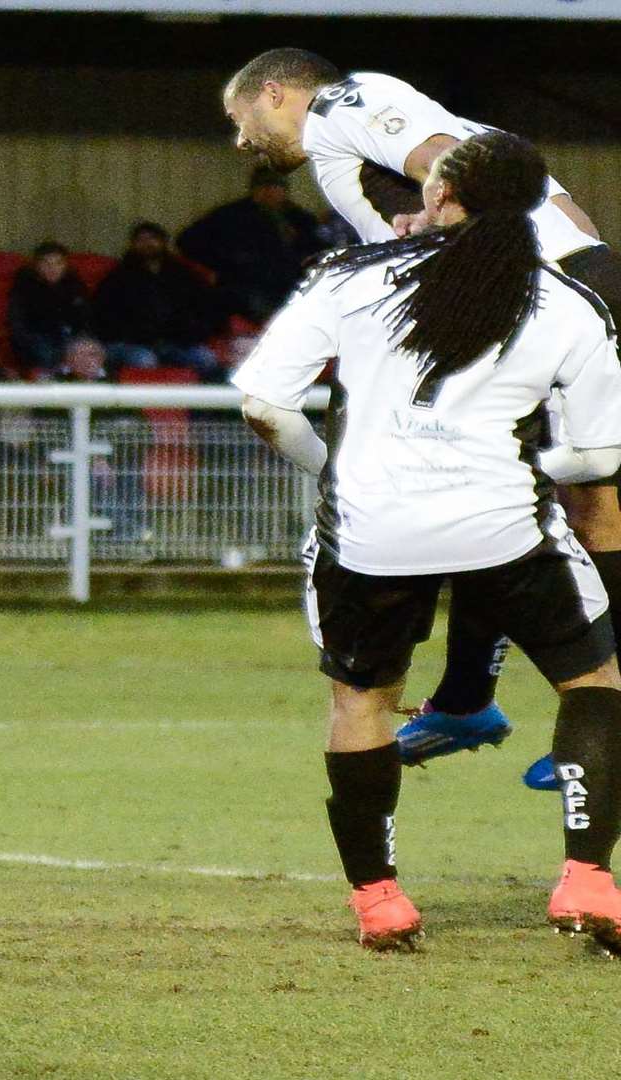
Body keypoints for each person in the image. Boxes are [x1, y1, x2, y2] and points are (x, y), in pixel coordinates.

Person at [234, 131, 621, 954]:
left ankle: (379, 898)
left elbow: (266, 403)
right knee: (593, 680)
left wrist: (331, 467)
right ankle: (587, 876)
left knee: (362, 702)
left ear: (443, 199)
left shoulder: (351, 277)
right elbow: (598, 457)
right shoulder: (567, 304)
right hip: (503, 526)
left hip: (371, 531)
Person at [176, 168, 326, 323]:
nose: (271, 192)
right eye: (265, 187)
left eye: (276, 187)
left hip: (291, 285)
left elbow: (319, 249)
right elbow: (188, 241)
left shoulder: (299, 218)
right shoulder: (231, 216)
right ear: (254, 190)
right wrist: (221, 267)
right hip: (248, 286)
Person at [94, 222, 226, 381]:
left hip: (176, 342)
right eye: (141, 240)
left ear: (163, 242)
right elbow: (103, 316)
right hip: (134, 343)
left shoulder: (183, 274)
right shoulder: (118, 277)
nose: (147, 244)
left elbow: (204, 307)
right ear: (133, 245)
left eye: (152, 239)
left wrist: (191, 332)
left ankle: (204, 405)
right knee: (145, 361)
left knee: (206, 359)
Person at [7, 242, 97, 379]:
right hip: (37, 339)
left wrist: (82, 340)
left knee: (89, 348)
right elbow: (18, 326)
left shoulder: (75, 285)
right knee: (48, 352)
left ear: (65, 265)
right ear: (36, 265)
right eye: (46, 263)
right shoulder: (24, 287)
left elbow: (86, 319)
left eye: (58, 263)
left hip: (70, 336)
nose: (52, 268)